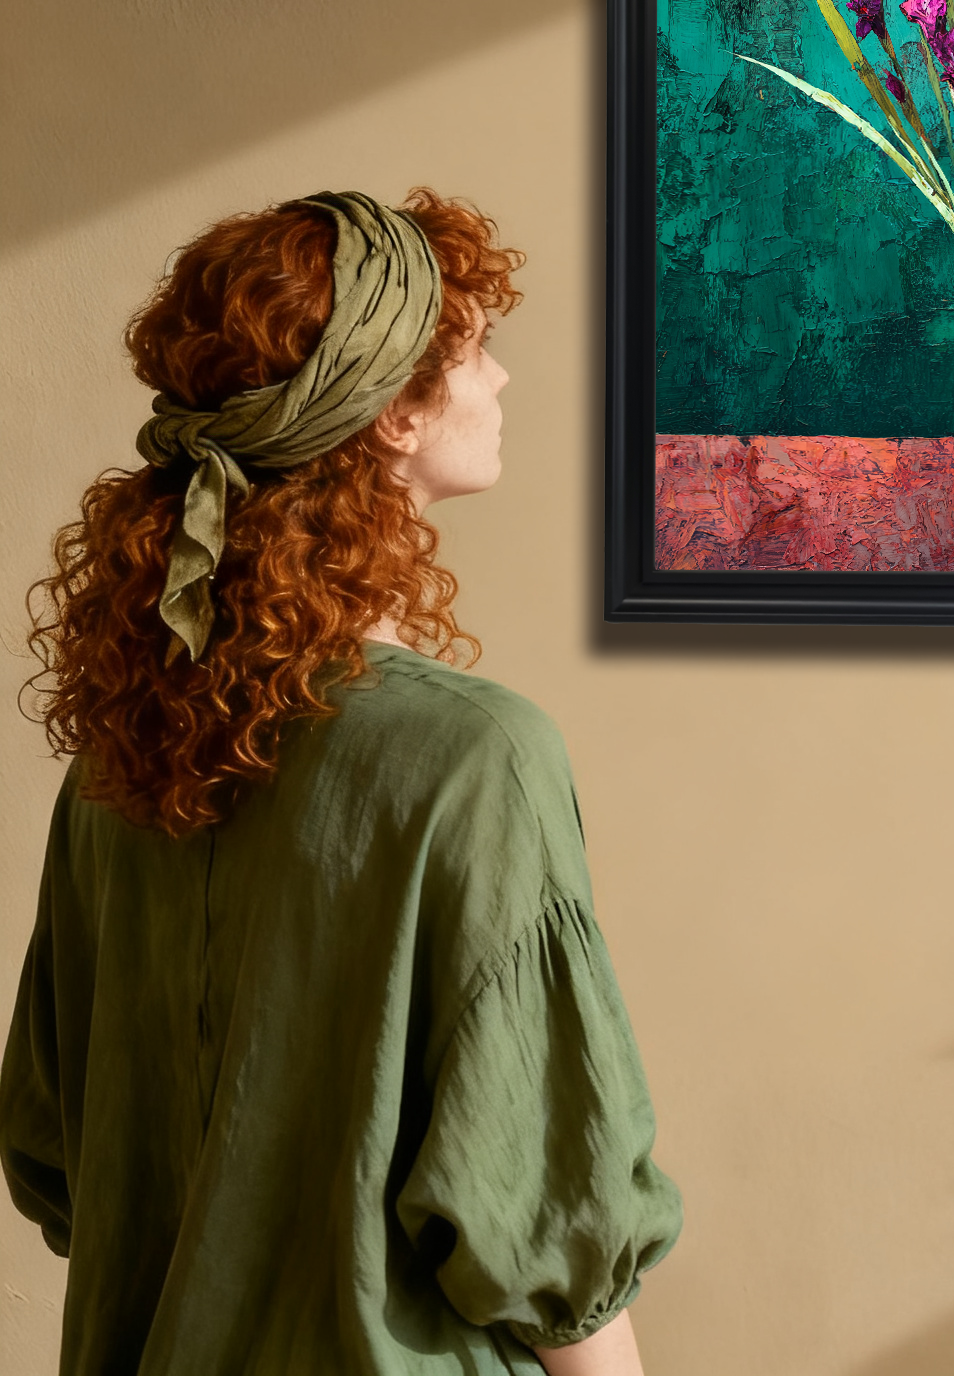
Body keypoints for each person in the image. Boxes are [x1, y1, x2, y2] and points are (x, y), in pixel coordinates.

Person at [1, 189, 680, 1373]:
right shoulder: (477, 755)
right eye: (473, 351)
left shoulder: (119, 758)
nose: (502, 383)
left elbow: (61, 1155)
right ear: (394, 419)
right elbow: (545, 1226)